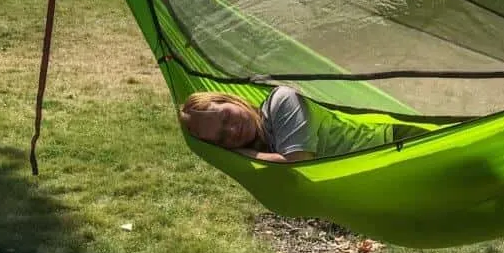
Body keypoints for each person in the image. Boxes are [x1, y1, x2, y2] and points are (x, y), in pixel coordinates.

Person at [178, 85, 421, 163]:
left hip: (401, 141)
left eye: (226, 118)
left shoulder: (283, 100)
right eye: (222, 138)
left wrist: (239, 153)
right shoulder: (266, 143)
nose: (232, 130)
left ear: (230, 99)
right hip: (382, 160)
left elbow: (297, 165)